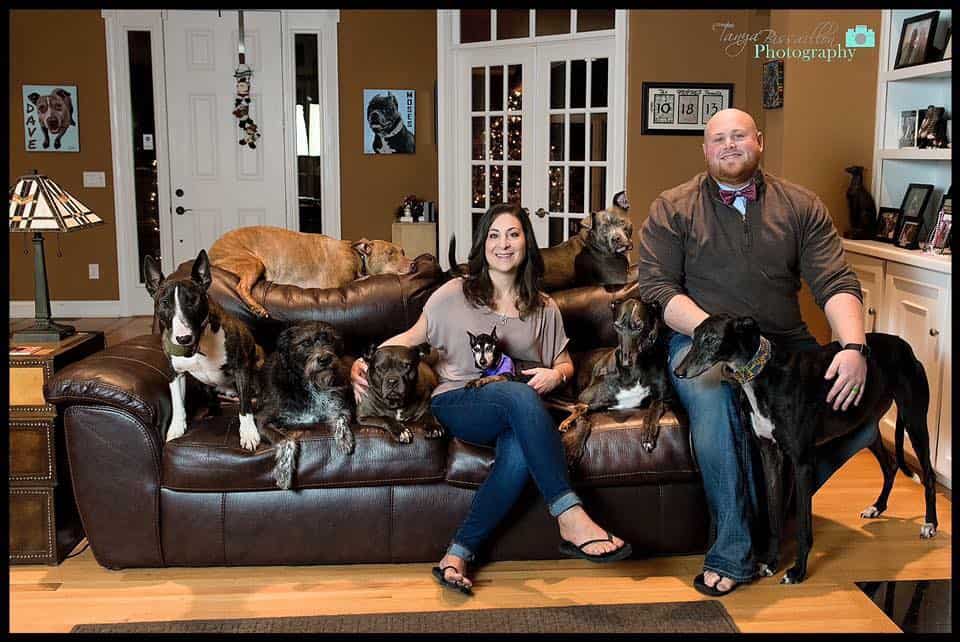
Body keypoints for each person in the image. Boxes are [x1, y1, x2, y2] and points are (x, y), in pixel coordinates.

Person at [637, 108, 876, 597]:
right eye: (718, 139)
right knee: (715, 404)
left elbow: (835, 281)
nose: (729, 145)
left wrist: (853, 347)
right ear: (705, 151)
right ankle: (733, 551)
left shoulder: (801, 205)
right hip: (701, 338)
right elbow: (657, 287)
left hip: (786, 342)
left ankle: (780, 511)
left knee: (866, 403)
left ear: (759, 142)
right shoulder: (673, 206)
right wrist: (714, 334)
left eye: (738, 135)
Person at [351, 203, 632, 595]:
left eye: (513, 234)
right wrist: (361, 363)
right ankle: (569, 513)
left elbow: (565, 364)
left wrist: (556, 374)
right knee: (514, 392)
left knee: (518, 446)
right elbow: (409, 338)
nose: (504, 244)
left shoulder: (544, 307)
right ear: (483, 244)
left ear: (526, 244)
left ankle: (457, 553)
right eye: (495, 235)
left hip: (523, 409)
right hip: (459, 402)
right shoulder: (453, 294)